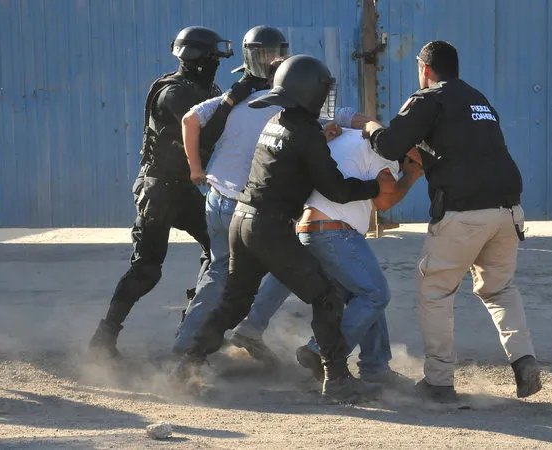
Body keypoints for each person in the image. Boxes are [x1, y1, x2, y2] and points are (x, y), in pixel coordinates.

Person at [172, 55, 395, 403]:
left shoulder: (276, 120)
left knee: (234, 301)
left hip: (241, 221)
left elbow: (292, 156)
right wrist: (372, 188)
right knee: (326, 298)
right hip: (269, 228)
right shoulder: (306, 133)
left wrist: (320, 137)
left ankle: (187, 364)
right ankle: (336, 379)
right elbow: (336, 189)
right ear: (312, 94)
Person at [362, 40, 542, 403]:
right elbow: (465, 148)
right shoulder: (479, 100)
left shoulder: (427, 99)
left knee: (435, 290)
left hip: (464, 213)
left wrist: (367, 126)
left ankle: (439, 381)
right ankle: (524, 362)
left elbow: (389, 146)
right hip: (508, 210)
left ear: (425, 69)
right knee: (500, 289)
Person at [88, 26, 262, 360]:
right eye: (212, 58)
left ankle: (194, 324)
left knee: (220, 253)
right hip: (159, 190)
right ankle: (104, 337)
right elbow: (206, 135)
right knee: (146, 270)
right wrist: (231, 99)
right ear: (197, 59)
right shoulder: (174, 93)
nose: (216, 65)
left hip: (186, 188)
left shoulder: (205, 88)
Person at [228, 122, 423, 389]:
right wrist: (411, 176)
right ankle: (320, 351)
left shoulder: (349, 137)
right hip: (335, 232)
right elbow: (384, 200)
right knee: (374, 294)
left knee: (362, 292)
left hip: (307, 227)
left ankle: (375, 366)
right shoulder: (385, 151)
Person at [173, 26, 292, 359]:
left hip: (216, 199)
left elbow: (189, 120)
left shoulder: (235, 98)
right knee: (289, 267)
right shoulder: (281, 105)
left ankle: (185, 346)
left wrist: (196, 169)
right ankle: (249, 331)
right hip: (249, 206)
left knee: (218, 271)